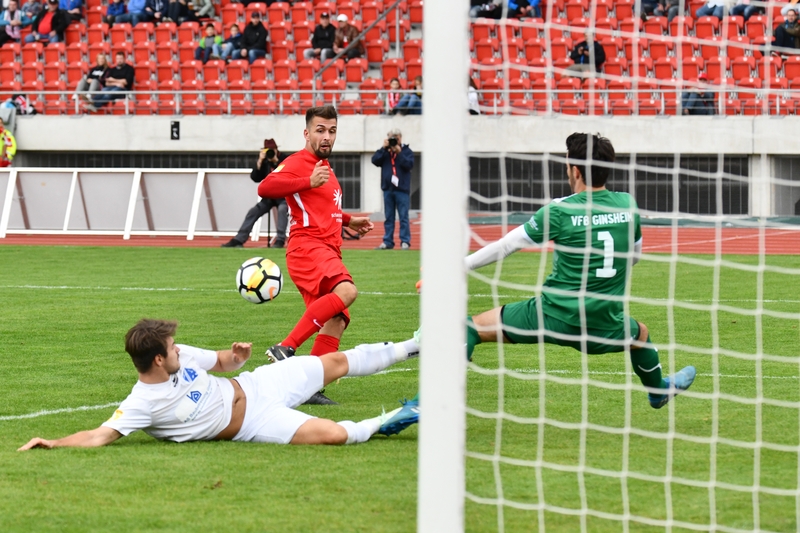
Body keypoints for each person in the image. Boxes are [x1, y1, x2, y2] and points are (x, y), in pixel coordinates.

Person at [464, 133, 696, 410]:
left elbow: (505, 246)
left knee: (467, 329)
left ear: (575, 170)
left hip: (551, 315)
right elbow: (633, 258)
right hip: (603, 323)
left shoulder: (560, 210)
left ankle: (427, 403)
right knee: (640, 335)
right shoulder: (627, 205)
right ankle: (657, 391)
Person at [17, 319, 421, 451]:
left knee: (332, 362)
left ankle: (416, 344)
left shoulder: (183, 356)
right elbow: (97, 436)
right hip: (253, 424)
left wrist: (238, 356)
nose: (179, 350)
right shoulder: (142, 402)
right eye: (172, 348)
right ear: (158, 359)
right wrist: (52, 443)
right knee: (332, 435)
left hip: (258, 383)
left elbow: (226, 362)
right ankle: (401, 416)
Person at [257, 106, 374, 405]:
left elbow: (323, 205)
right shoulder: (299, 162)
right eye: (320, 130)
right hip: (307, 247)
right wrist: (307, 180)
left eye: (332, 131)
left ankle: (308, 388)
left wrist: (349, 220)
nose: (327, 137)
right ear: (307, 133)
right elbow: (265, 186)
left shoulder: (324, 166)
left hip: (326, 248)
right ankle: (285, 347)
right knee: (347, 291)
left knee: (337, 319)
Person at [222, 139, 289, 249]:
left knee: (282, 210)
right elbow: (255, 178)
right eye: (268, 150)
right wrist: (259, 162)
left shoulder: (285, 159)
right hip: (269, 197)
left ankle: (280, 240)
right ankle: (239, 239)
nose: (270, 153)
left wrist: (276, 162)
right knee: (253, 212)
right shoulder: (265, 161)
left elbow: (288, 174)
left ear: (277, 149)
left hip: (283, 196)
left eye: (272, 150)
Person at [372, 128, 414, 251]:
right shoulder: (385, 152)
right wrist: (383, 148)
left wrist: (399, 153)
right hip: (388, 189)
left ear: (400, 138)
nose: (394, 140)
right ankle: (387, 241)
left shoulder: (407, 151)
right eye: (391, 137)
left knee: (403, 217)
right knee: (389, 217)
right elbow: (374, 160)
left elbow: (409, 165)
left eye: (396, 137)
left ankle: (405, 241)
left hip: (402, 189)